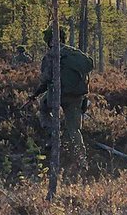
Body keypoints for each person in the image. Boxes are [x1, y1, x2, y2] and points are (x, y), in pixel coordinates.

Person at [31, 26, 93, 168]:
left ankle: (53, 135)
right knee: (74, 130)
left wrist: (36, 93)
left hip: (57, 95)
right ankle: (81, 160)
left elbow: (46, 78)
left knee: (43, 107)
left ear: (48, 40)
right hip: (76, 97)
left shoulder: (51, 55)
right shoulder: (76, 53)